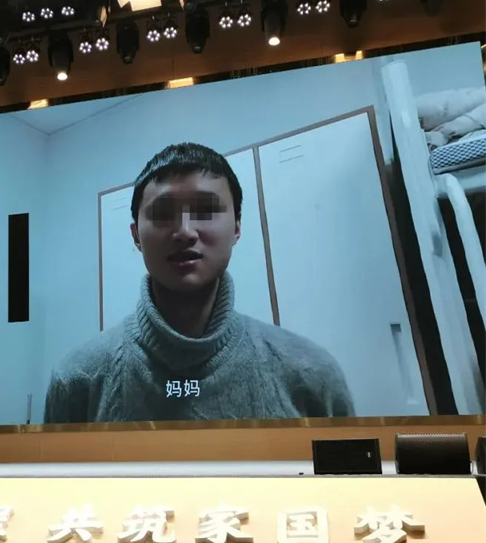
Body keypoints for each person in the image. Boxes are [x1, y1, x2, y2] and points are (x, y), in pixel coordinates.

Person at [44, 142, 355, 423]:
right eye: (162, 213)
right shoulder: (78, 379)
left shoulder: (312, 374)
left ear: (236, 227)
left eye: (206, 210)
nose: (185, 231)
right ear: (136, 235)